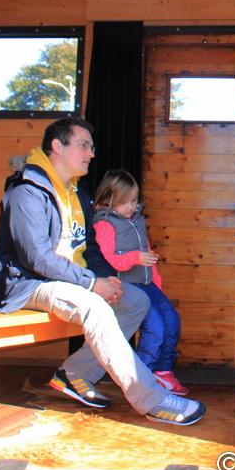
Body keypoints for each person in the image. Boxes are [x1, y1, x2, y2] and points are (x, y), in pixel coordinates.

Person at [0, 117, 205, 425]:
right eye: (84, 145)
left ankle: (75, 373)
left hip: (70, 281)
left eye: (91, 146)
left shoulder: (76, 192)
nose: (92, 153)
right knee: (95, 306)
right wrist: (91, 283)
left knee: (136, 300)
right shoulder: (27, 191)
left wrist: (106, 278)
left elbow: (89, 248)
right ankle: (151, 398)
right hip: (27, 284)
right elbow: (37, 258)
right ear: (57, 146)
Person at [92, 169, 188, 396]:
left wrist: (156, 281)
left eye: (134, 201)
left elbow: (148, 253)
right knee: (155, 328)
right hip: (128, 287)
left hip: (148, 285)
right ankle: (142, 376)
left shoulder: (137, 221)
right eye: (125, 202)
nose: (131, 206)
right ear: (109, 199)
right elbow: (109, 259)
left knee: (172, 321)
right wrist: (135, 258)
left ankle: (163, 371)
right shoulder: (104, 224)